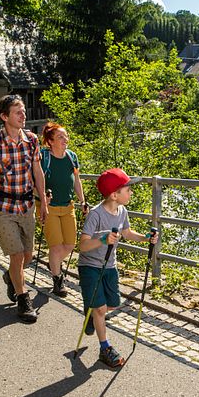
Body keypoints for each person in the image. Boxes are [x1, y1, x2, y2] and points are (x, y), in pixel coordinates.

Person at [78, 168, 159, 367]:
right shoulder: (95, 215)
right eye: (128, 190)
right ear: (114, 195)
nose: (131, 193)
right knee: (101, 309)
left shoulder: (122, 211)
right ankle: (105, 348)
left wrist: (145, 238)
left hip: (109, 266)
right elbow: (83, 245)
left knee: (112, 304)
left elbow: (127, 232)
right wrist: (103, 239)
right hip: (90, 266)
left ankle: (91, 311)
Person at [0, 94, 47, 323]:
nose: (23, 115)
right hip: (2, 207)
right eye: (18, 112)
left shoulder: (32, 140)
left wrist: (43, 202)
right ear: (4, 116)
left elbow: (37, 172)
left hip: (26, 206)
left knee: (27, 256)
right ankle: (23, 299)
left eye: (24, 111)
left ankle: (11, 277)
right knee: (16, 256)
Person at [36, 122, 88, 297]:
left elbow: (76, 181)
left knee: (70, 244)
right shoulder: (44, 157)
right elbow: (34, 181)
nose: (65, 139)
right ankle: (58, 279)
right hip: (48, 207)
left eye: (66, 136)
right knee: (56, 247)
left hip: (68, 206)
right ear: (50, 141)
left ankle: (54, 263)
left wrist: (83, 200)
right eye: (60, 137)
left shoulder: (72, 157)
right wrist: (43, 196)